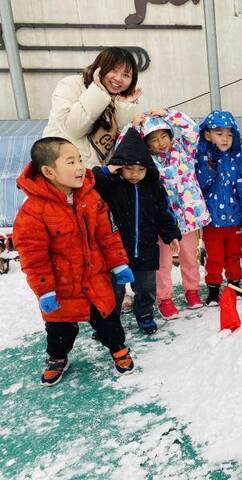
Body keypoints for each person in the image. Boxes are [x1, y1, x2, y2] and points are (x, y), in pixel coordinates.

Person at [12, 137, 136, 386]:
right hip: (62, 285)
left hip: (96, 278)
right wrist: (45, 290)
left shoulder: (91, 198)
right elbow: (33, 257)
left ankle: (117, 347)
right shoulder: (33, 212)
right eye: (71, 162)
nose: (80, 166)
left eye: (80, 159)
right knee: (59, 331)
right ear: (48, 171)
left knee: (108, 320)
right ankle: (57, 357)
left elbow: (108, 235)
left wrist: (119, 263)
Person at [118, 109, 211, 319]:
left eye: (164, 136)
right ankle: (165, 298)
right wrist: (132, 126)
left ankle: (192, 290)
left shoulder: (184, 150)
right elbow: (123, 150)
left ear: (171, 135)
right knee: (162, 262)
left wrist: (169, 114)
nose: (160, 143)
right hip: (161, 219)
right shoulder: (145, 161)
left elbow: (192, 130)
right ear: (146, 142)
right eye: (153, 139)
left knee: (189, 256)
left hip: (188, 216)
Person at [93, 129, 182, 334]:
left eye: (140, 170)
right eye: (129, 168)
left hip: (146, 248)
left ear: (148, 169)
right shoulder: (111, 186)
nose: (135, 174)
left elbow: (163, 213)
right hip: (116, 252)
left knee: (145, 288)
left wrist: (171, 235)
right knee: (113, 290)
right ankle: (110, 322)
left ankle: (144, 314)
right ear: (120, 168)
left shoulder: (154, 187)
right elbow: (93, 182)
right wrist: (108, 170)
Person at [44, 47, 142, 167]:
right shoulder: (70, 84)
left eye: (126, 75)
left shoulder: (120, 100)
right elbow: (73, 129)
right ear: (100, 67)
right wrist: (98, 91)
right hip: (62, 170)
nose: (118, 78)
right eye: (113, 70)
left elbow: (123, 143)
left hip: (99, 175)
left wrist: (124, 107)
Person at [196, 111, 242, 305]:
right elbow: (201, 184)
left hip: (235, 221)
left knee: (234, 256)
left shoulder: (235, 160)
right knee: (214, 258)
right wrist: (209, 164)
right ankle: (213, 290)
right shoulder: (202, 159)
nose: (225, 138)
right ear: (207, 135)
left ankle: (234, 285)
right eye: (219, 133)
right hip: (212, 222)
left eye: (229, 134)